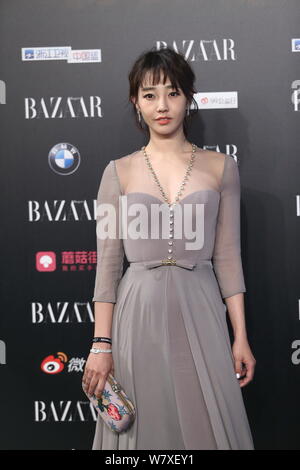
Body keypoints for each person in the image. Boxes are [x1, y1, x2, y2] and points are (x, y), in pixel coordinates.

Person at [82, 46, 256, 450]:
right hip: (137, 312)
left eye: (173, 92)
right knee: (143, 430)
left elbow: (228, 259)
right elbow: (107, 269)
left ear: (188, 98)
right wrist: (100, 345)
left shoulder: (221, 168)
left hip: (202, 308)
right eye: (149, 95)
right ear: (135, 102)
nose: (162, 105)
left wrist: (241, 336)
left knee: (207, 426)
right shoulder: (118, 172)